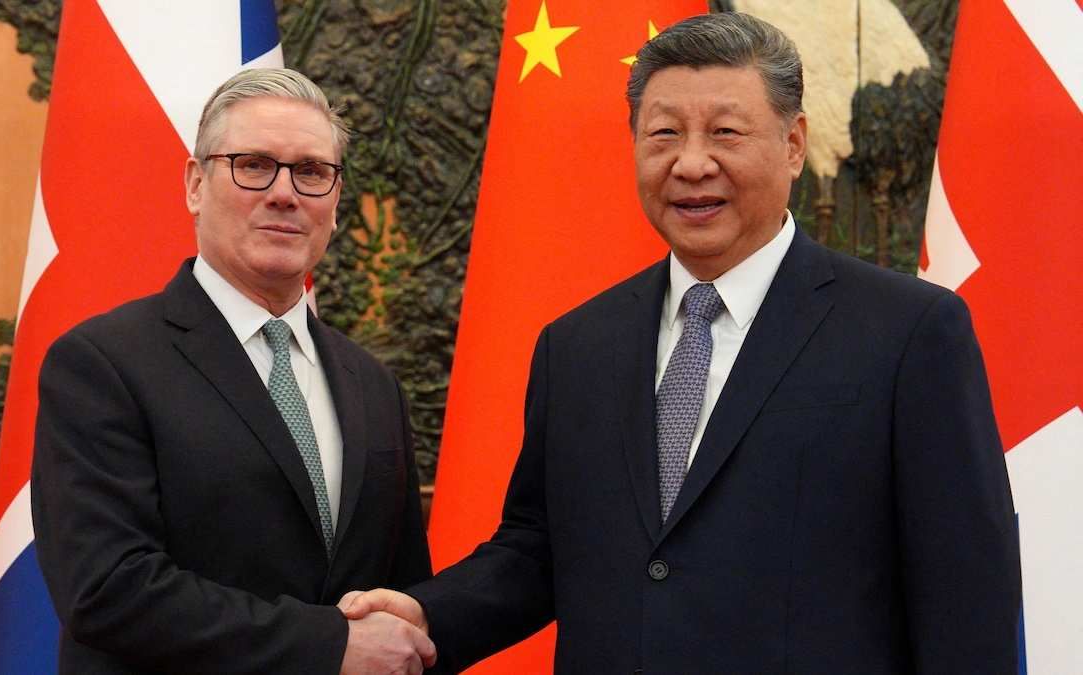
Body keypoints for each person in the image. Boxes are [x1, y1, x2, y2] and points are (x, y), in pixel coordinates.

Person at [341, 12, 1022, 674]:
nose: (692, 164)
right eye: (663, 133)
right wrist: (426, 617)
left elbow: (965, 594)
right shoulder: (577, 346)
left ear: (793, 144)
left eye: (725, 132)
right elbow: (539, 549)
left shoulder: (908, 333)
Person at [32, 68, 436, 674]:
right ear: (196, 184)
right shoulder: (101, 364)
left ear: (334, 200)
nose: (284, 193)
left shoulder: (372, 384)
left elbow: (400, 593)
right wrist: (328, 645)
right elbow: (107, 589)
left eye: (311, 172)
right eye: (253, 165)